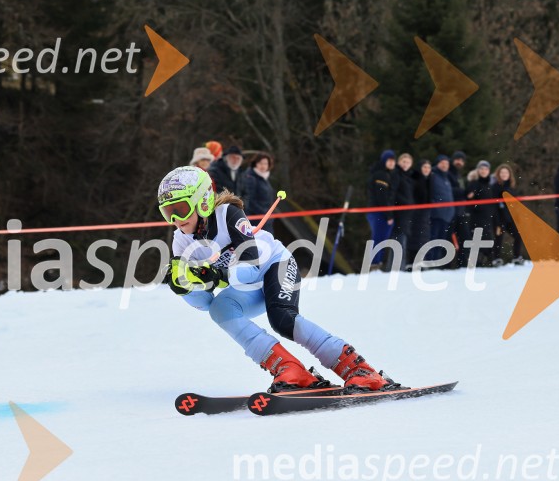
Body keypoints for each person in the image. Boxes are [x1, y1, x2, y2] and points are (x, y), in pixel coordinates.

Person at [157, 166, 395, 392]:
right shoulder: (181, 240)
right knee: (220, 310)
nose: (176, 219)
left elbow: (250, 266)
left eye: (181, 208)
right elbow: (205, 303)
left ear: (203, 201)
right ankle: (290, 369)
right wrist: (186, 289)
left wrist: (217, 277)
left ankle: (359, 369)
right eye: (168, 212)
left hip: (274, 265)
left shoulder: (228, 214)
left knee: (282, 319)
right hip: (245, 285)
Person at [366, 150, 397, 269]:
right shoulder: (381, 174)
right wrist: (388, 215)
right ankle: (374, 264)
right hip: (378, 211)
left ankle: (376, 263)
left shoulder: (385, 174)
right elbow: (381, 196)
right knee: (379, 238)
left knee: (380, 238)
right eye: (389, 160)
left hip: (377, 211)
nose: (391, 163)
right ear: (384, 161)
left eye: (393, 161)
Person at [465, 160, 498, 267]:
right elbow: (469, 198)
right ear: (478, 170)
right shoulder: (474, 183)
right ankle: (477, 262)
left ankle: (489, 260)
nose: (484, 171)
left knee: (488, 238)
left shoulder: (490, 185)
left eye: (486, 169)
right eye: (481, 169)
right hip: (476, 217)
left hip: (488, 217)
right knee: (477, 239)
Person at [491, 163, 524, 265]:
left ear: (509, 174)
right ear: (498, 174)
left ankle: (517, 257)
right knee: (499, 238)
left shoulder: (511, 187)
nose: (504, 174)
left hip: (510, 218)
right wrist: (497, 222)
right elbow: (494, 206)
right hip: (499, 218)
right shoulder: (495, 187)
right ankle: (495, 259)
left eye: (506, 172)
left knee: (519, 235)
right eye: (502, 172)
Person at [388, 153, 415, 271]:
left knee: (402, 240)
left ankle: (399, 268)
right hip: (398, 213)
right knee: (398, 241)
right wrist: (390, 212)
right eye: (403, 162)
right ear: (399, 162)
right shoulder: (396, 174)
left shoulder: (408, 176)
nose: (405, 164)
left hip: (406, 214)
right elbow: (392, 193)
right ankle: (396, 268)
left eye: (408, 162)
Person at [240, 152, 277, 234]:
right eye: (260, 163)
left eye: (265, 163)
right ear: (255, 164)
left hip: (266, 219)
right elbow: (249, 200)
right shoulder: (250, 178)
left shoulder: (264, 178)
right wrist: (264, 213)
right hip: (256, 220)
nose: (263, 166)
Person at [428, 155, 455, 261]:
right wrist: (434, 205)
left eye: (447, 163)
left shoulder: (447, 178)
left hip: (447, 215)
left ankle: (438, 262)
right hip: (435, 214)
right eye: (442, 163)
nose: (444, 165)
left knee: (441, 241)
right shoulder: (433, 175)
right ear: (437, 163)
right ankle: (430, 261)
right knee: (433, 239)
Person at [449, 150, 472, 267]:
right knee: (449, 240)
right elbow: (449, 191)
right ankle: (446, 265)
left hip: (461, 212)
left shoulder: (459, 176)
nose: (459, 162)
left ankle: (462, 264)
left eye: (462, 160)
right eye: (457, 159)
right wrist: (464, 192)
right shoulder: (448, 173)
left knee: (465, 238)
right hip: (451, 212)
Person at [408, 159, 433, 265]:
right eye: (424, 167)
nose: (426, 170)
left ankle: (422, 260)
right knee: (415, 237)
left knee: (423, 237)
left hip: (425, 212)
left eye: (428, 167)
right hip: (415, 212)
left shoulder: (429, 180)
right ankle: (412, 261)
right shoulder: (415, 178)